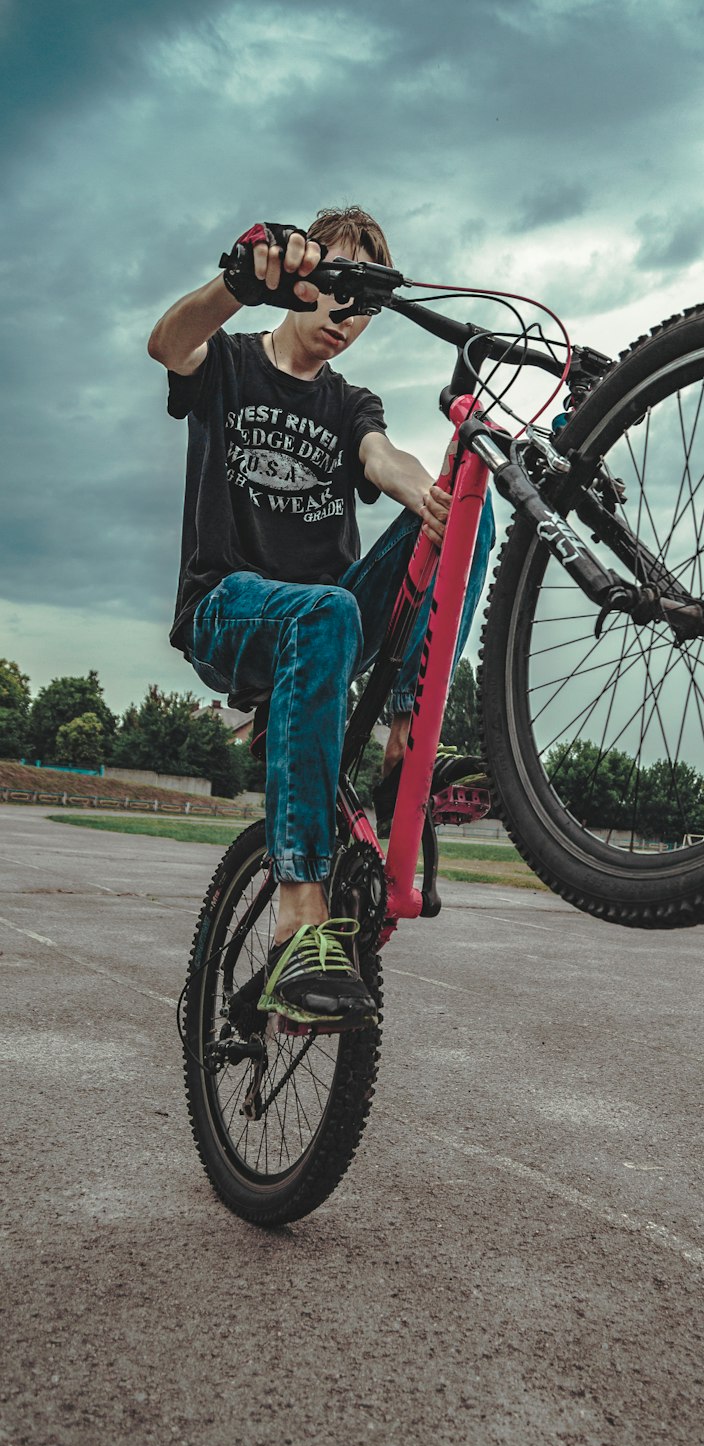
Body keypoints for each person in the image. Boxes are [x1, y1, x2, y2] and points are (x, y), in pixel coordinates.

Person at [148, 208, 494, 1028]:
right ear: (302, 280)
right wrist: (238, 283)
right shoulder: (231, 363)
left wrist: (424, 494)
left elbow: (383, 456)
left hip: (333, 628)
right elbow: (169, 343)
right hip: (227, 609)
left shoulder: (350, 403)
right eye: (337, 291)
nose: (348, 318)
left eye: (366, 306)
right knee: (326, 610)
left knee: (467, 511)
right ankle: (298, 912)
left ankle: (408, 735)